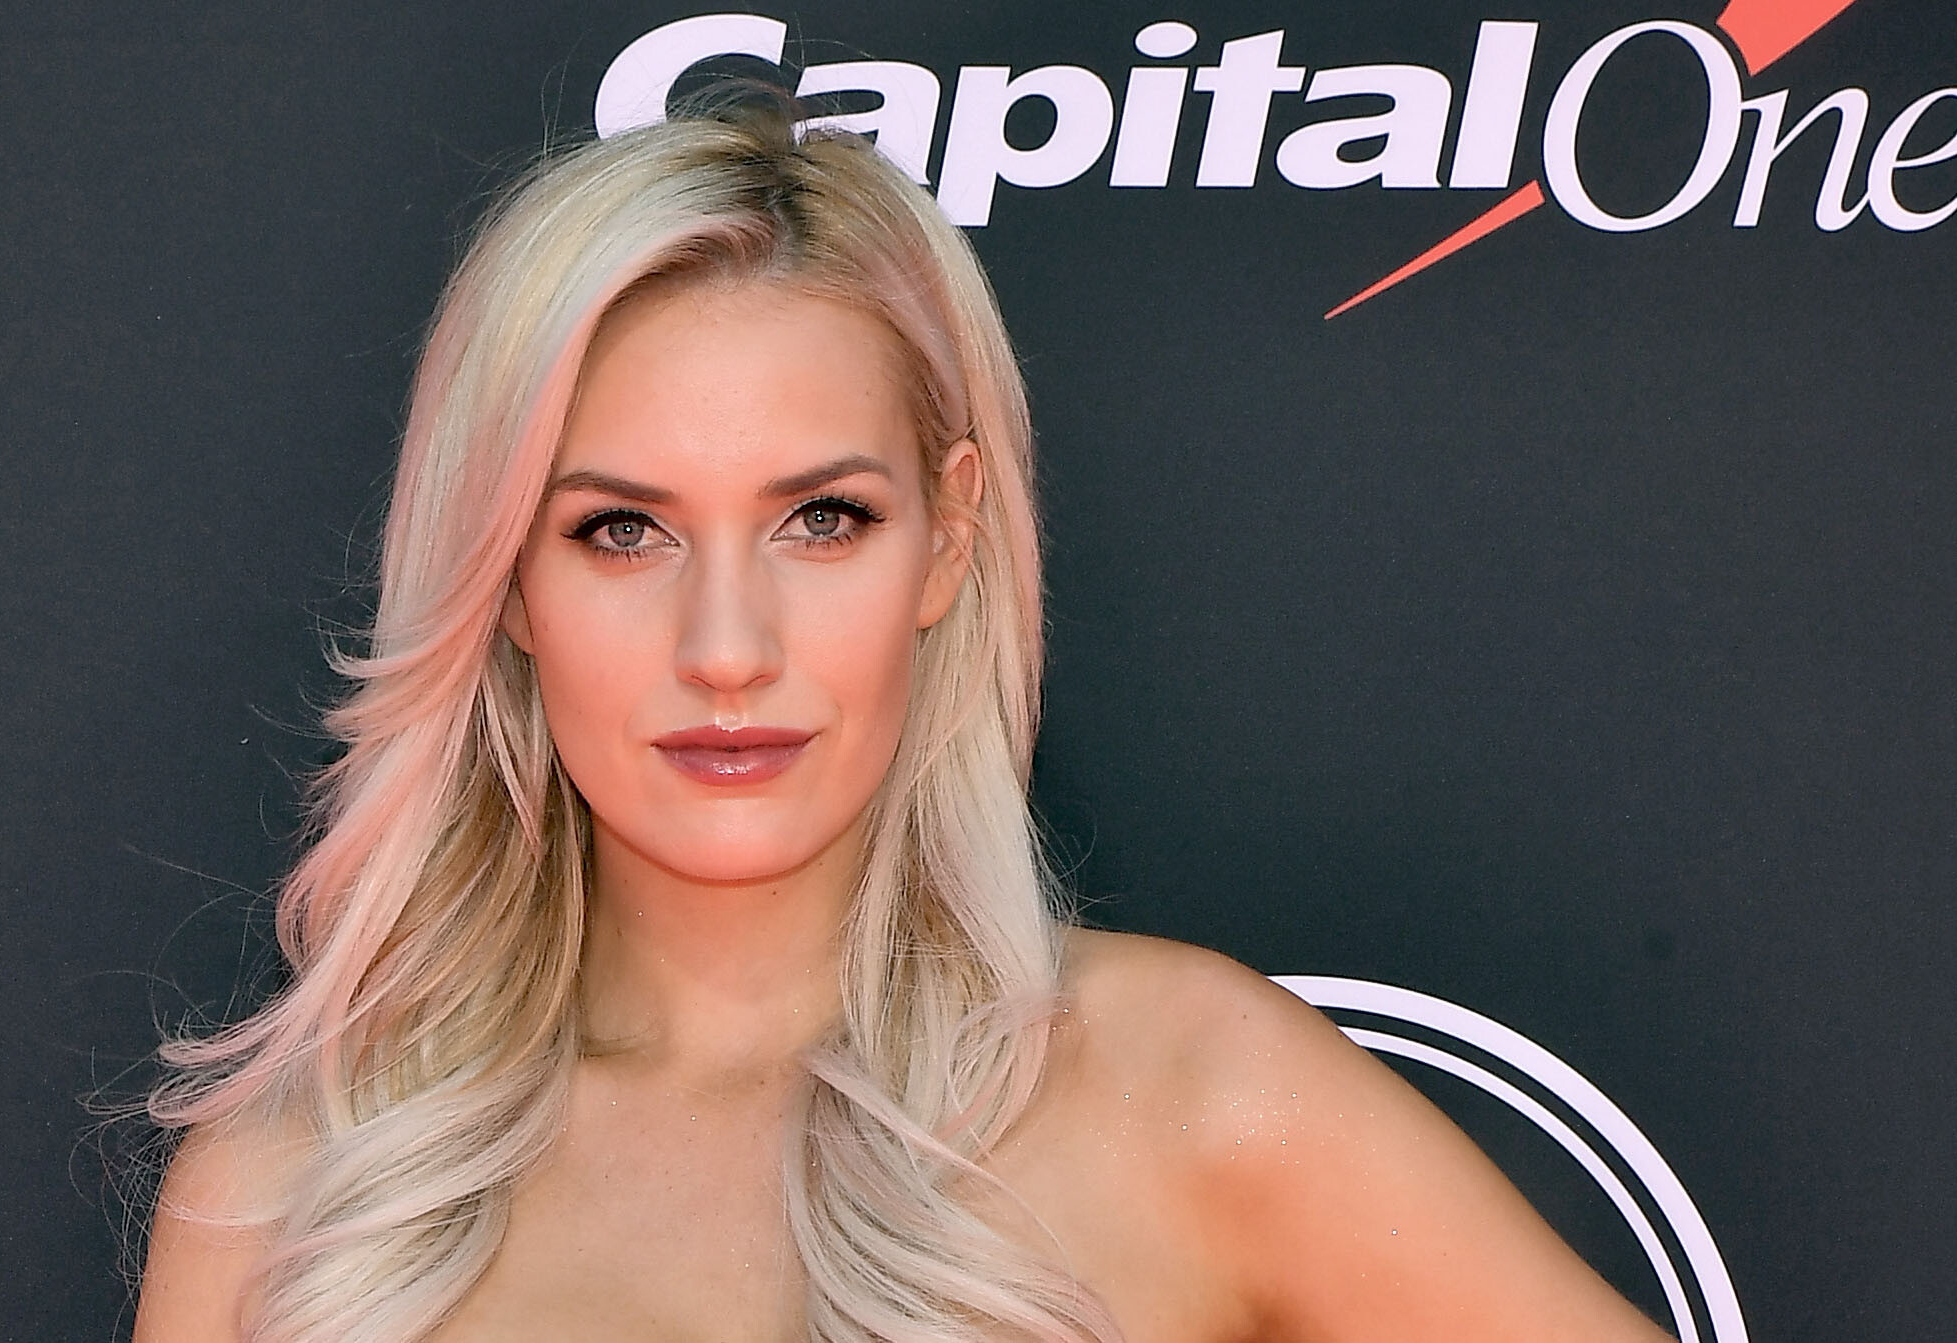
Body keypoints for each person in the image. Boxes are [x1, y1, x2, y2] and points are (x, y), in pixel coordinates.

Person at [130, 91, 1673, 1343]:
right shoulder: (289, 1191)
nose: (725, 649)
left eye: (822, 521)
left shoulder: (1198, 1092)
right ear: (506, 579)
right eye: (620, 531)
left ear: (946, 540)